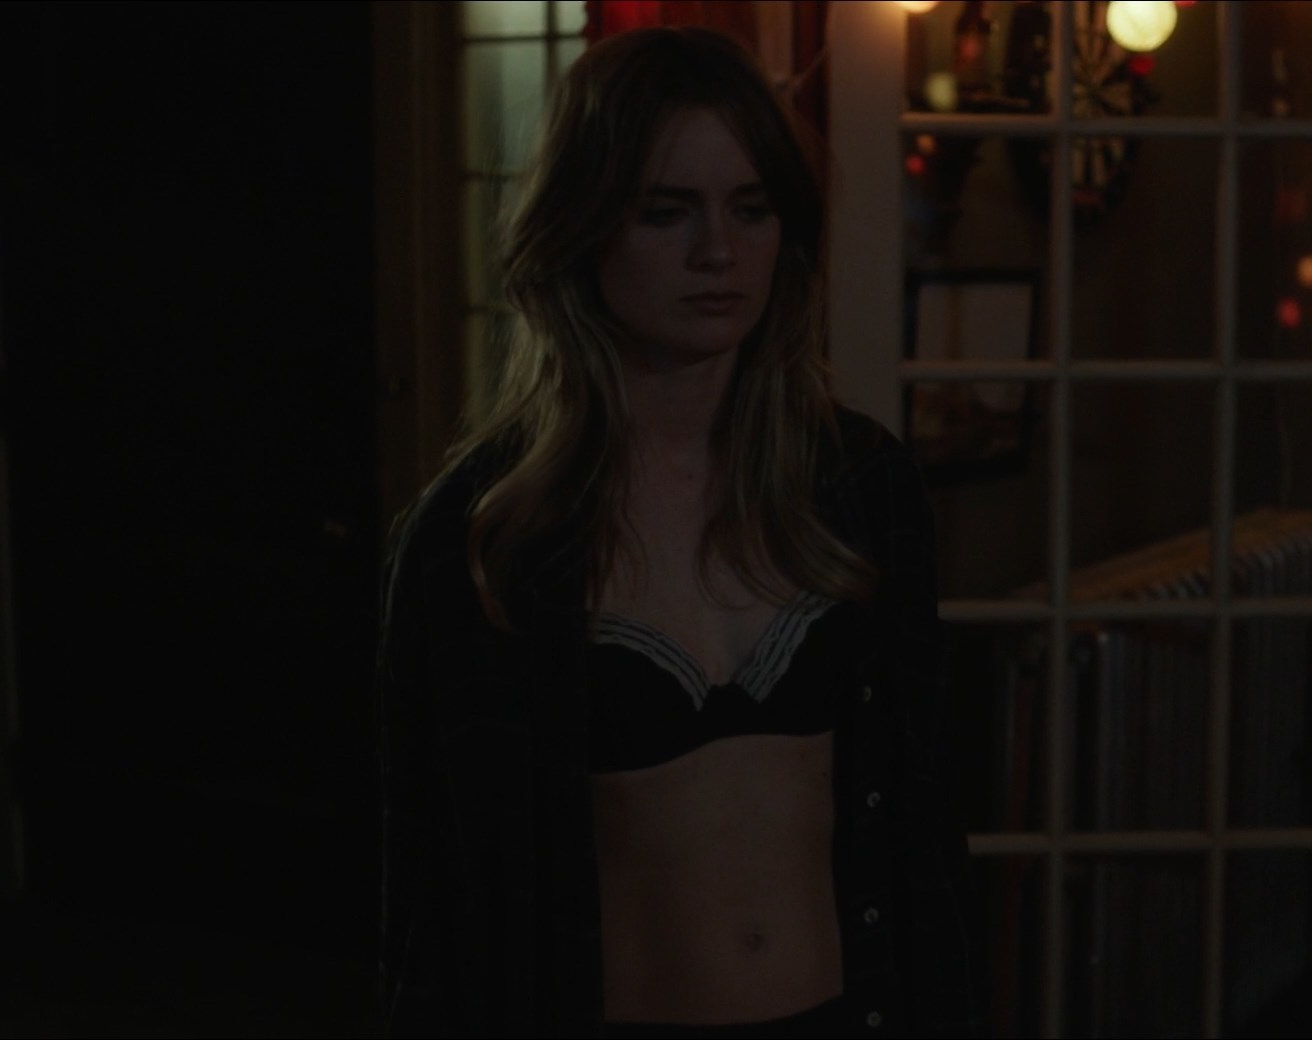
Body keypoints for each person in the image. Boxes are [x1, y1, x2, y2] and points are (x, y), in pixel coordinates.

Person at [375, 26, 985, 1040]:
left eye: (751, 208)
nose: (718, 253)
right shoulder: (483, 539)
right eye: (667, 212)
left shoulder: (858, 485)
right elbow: (434, 903)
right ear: (582, 227)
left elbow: (926, 829)